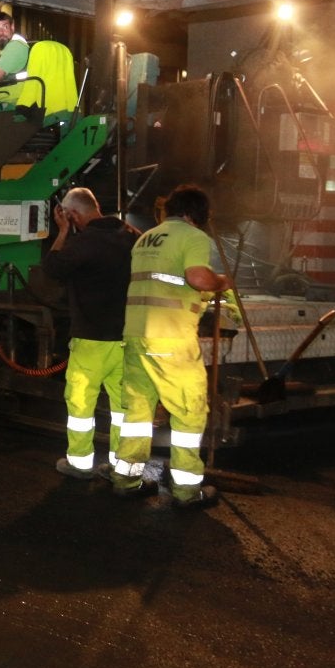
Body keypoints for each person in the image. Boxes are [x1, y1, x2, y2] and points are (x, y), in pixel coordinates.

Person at [114, 185, 230, 508]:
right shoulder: (193, 237)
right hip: (171, 338)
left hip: (137, 335)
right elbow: (197, 278)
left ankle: (126, 479)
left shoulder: (145, 239)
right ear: (196, 215)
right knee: (189, 410)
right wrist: (221, 283)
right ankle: (186, 490)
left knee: (137, 411)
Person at [41, 188, 138, 480]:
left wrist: (61, 232)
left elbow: (53, 268)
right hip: (125, 338)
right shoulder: (131, 235)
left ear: (72, 215)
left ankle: (80, 463)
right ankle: (123, 467)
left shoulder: (85, 242)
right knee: (123, 408)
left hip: (90, 340)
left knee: (81, 404)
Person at [0, 11, 29, 108]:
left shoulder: (15, 46)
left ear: (12, 28)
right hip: (7, 102)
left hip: (11, 104)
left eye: (5, 27)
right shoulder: (6, 50)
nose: (1, 32)